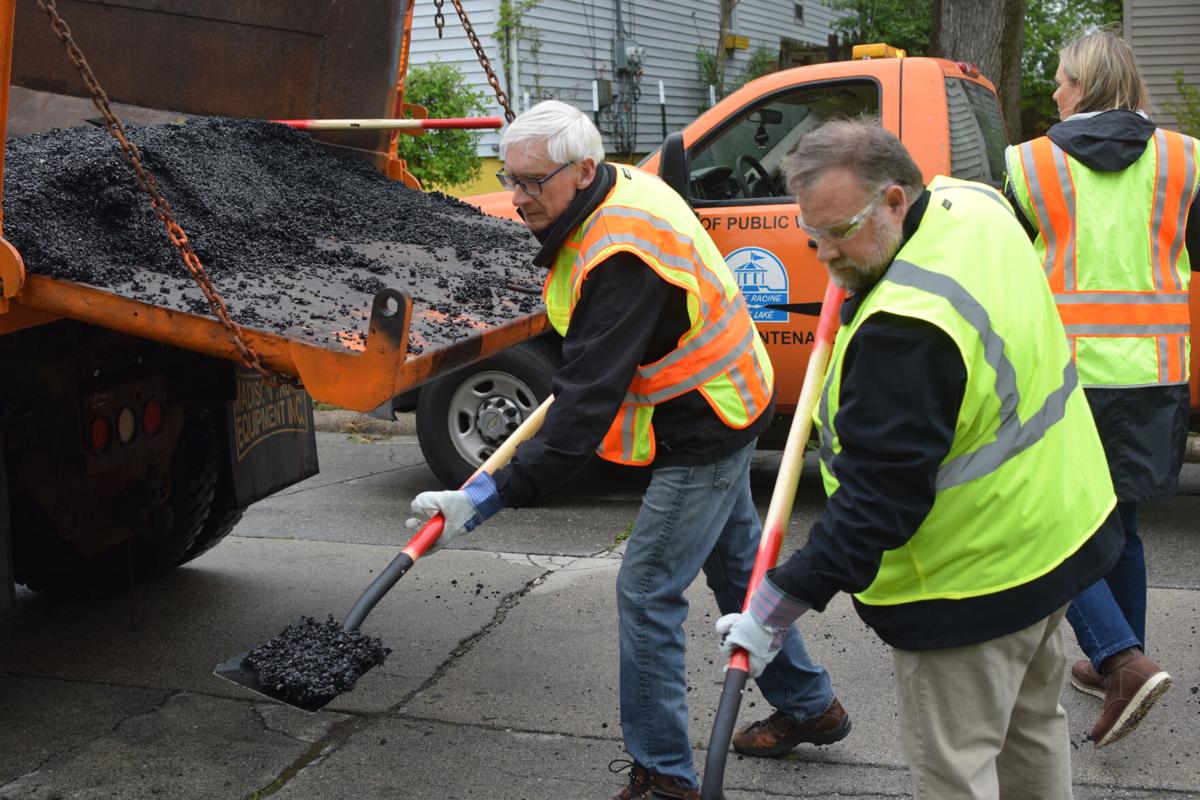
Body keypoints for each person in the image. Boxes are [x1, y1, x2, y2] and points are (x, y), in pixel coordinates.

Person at [407, 100, 848, 800]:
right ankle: (809, 705)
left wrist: (483, 497)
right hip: (728, 395)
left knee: (646, 592)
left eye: (531, 183)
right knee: (736, 569)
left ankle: (665, 776)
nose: (517, 198)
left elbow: (580, 413)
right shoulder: (610, 185)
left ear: (582, 170)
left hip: (707, 419)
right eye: (509, 179)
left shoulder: (620, 256)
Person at [715, 119, 1125, 800]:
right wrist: (858, 263)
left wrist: (778, 604)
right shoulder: (979, 206)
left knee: (956, 772)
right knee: (1033, 737)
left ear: (897, 200)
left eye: (840, 231)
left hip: (970, 586)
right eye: (812, 233)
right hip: (1054, 541)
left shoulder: (906, 331)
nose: (824, 254)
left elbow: (879, 501)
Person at [1004, 28, 1198, 748]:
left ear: (1083, 85)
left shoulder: (1032, 165)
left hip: (1064, 375)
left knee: (1053, 529)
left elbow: (1010, 261)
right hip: (1152, 371)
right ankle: (1123, 660)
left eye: (1060, 78)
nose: (1053, 91)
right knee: (1126, 523)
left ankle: (1120, 661)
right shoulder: (1185, 161)